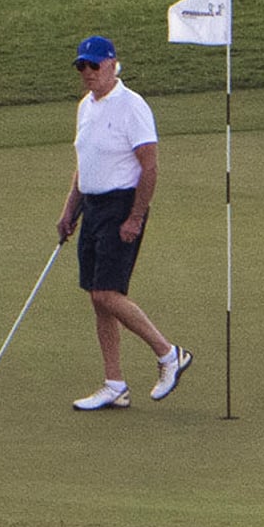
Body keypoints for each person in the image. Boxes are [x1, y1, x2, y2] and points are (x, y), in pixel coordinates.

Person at [58, 36, 192, 411]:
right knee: (98, 299)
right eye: (82, 67)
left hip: (122, 205)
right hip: (92, 206)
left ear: (113, 64)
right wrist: (69, 209)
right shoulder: (86, 106)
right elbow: (85, 165)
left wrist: (135, 216)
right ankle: (114, 384)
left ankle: (169, 354)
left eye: (94, 65)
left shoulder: (132, 107)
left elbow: (150, 167)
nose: (87, 73)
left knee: (107, 293)